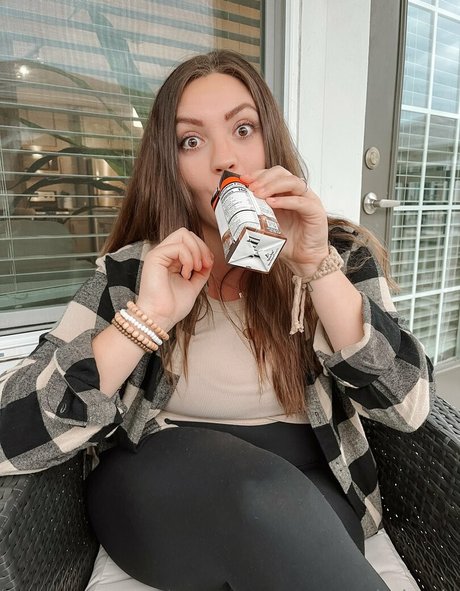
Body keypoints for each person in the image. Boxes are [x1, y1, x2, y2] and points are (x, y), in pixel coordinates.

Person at [0, 50, 434, 591]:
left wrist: (316, 269)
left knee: (286, 524)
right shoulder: (133, 271)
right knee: (262, 497)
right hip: (159, 479)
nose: (224, 158)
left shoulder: (335, 253)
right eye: (191, 140)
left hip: (309, 479)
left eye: (243, 129)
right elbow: (12, 433)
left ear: (270, 142)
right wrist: (148, 316)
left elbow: (409, 408)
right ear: (171, 165)